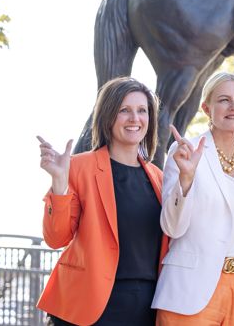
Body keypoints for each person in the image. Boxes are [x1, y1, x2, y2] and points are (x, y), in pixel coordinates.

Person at [36, 77, 169, 326]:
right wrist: (59, 182)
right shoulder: (78, 167)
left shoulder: (159, 178)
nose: (135, 119)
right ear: (108, 116)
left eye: (142, 111)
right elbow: (56, 238)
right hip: (88, 307)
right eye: (124, 110)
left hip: (146, 308)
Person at [152, 72, 234, 325]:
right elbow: (172, 227)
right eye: (224, 100)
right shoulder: (184, 153)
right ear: (207, 108)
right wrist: (186, 179)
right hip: (190, 291)